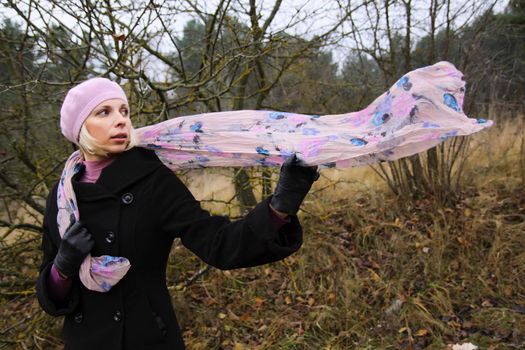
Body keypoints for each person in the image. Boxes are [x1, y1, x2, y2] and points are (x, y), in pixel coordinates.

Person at [36, 78, 319, 350]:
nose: (121, 120)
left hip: (144, 340)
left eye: (124, 111)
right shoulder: (62, 197)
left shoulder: (151, 180)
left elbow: (218, 243)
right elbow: (53, 298)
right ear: (80, 128)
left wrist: (281, 204)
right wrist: (63, 266)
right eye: (104, 112)